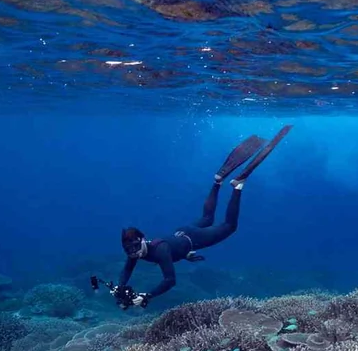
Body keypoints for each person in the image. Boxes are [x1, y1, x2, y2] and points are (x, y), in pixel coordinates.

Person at [114, 125, 292, 307]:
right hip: (182, 233)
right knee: (207, 218)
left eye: (136, 248)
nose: (135, 253)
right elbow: (127, 270)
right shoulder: (136, 251)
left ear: (142, 239)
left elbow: (170, 280)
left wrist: (147, 296)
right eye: (129, 251)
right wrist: (120, 287)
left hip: (193, 239)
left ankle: (237, 185)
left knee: (230, 226)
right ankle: (217, 181)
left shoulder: (160, 251)